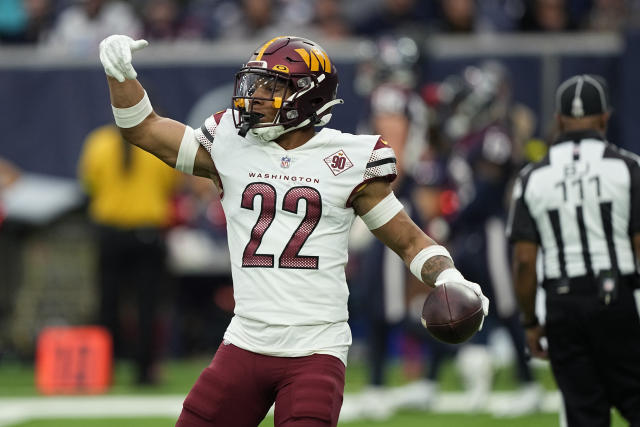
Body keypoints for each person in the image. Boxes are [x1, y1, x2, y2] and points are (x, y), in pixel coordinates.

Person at [98, 34, 489, 426]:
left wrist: (452, 279)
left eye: (271, 86)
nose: (256, 96)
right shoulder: (230, 143)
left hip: (316, 348)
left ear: (308, 96)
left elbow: (408, 240)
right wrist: (121, 75)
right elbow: (144, 129)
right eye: (256, 84)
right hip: (246, 341)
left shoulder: (349, 159)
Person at [507, 74, 640, 426]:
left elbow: (524, 262)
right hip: (619, 295)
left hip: (563, 302)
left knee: (583, 414)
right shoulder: (628, 167)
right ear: (605, 117)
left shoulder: (532, 177)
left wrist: (531, 322)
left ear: (559, 119)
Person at [78, 123, 181, 385]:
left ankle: (103, 370)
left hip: (110, 233)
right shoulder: (158, 145)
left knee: (108, 304)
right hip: (146, 234)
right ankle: (144, 371)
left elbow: (89, 184)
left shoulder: (99, 142)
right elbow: (171, 185)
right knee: (147, 305)